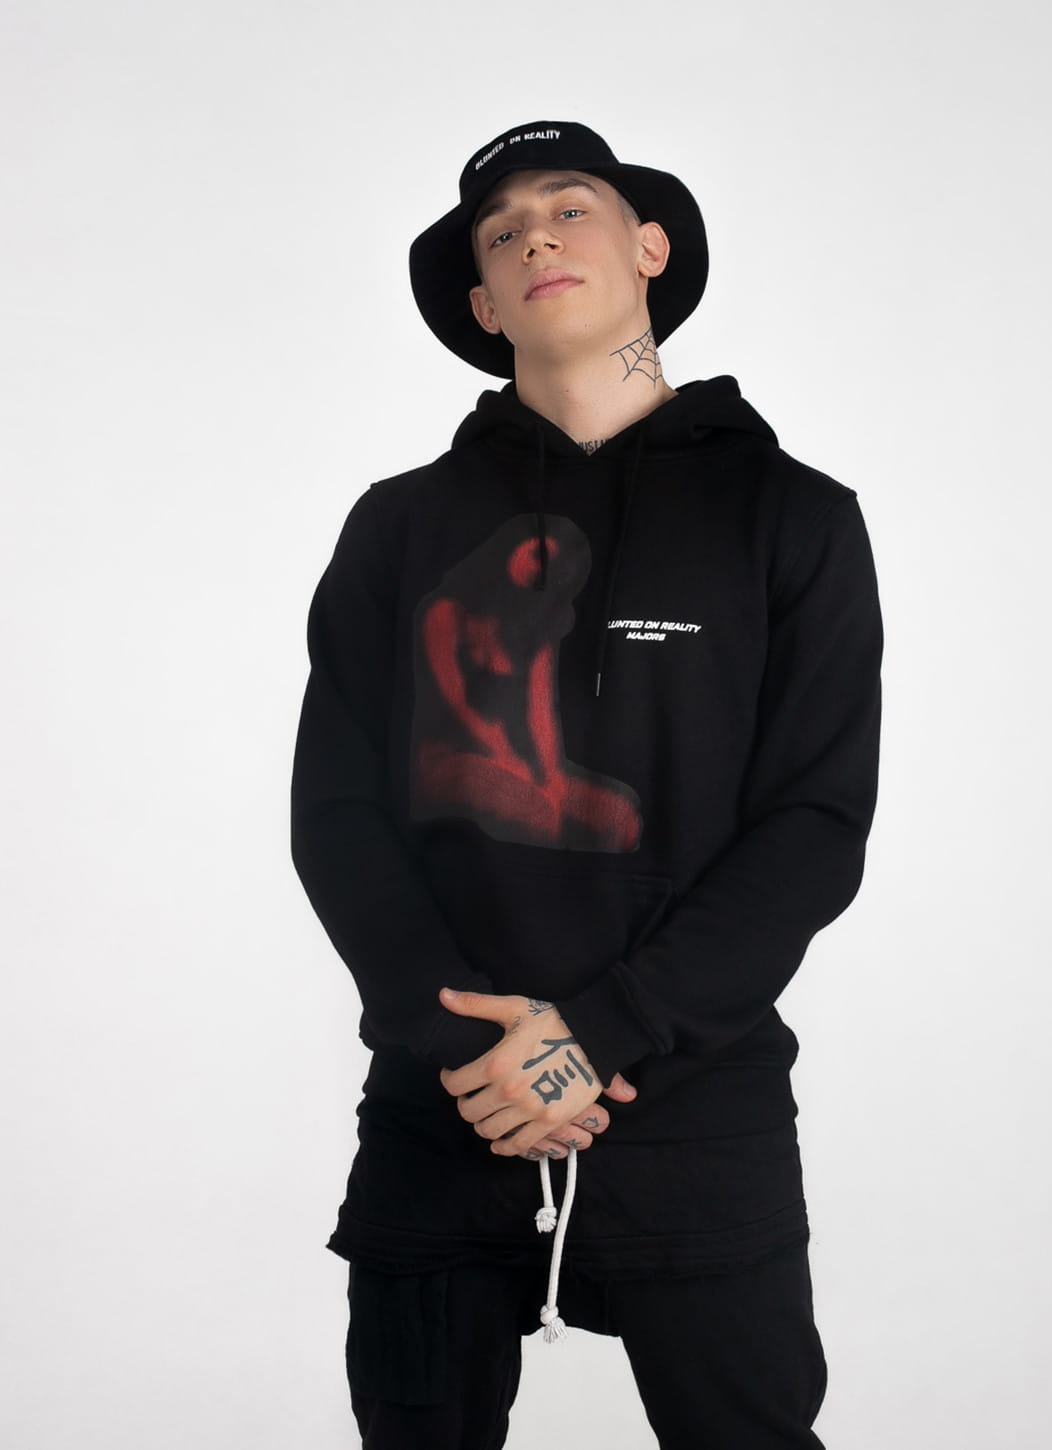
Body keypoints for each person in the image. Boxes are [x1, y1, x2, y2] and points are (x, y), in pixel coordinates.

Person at [291, 119, 883, 1450]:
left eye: (571, 208)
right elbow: (335, 813)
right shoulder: (398, 524)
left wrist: (603, 1030)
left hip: (695, 1105)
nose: (536, 238)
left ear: (651, 247)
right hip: (445, 1106)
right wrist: (471, 1049)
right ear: (482, 304)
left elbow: (815, 824)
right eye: (501, 234)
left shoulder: (793, 516)